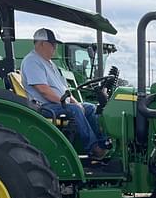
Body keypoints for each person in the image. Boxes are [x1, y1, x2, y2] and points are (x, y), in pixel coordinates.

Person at [21, 28, 109, 159]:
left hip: (59, 102)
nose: (55, 47)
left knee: (90, 108)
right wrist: (66, 103)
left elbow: (64, 90)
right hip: (44, 106)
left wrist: (75, 102)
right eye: (52, 44)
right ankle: (93, 148)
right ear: (41, 44)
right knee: (74, 110)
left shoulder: (50, 64)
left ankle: (103, 144)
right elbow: (43, 90)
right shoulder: (32, 61)